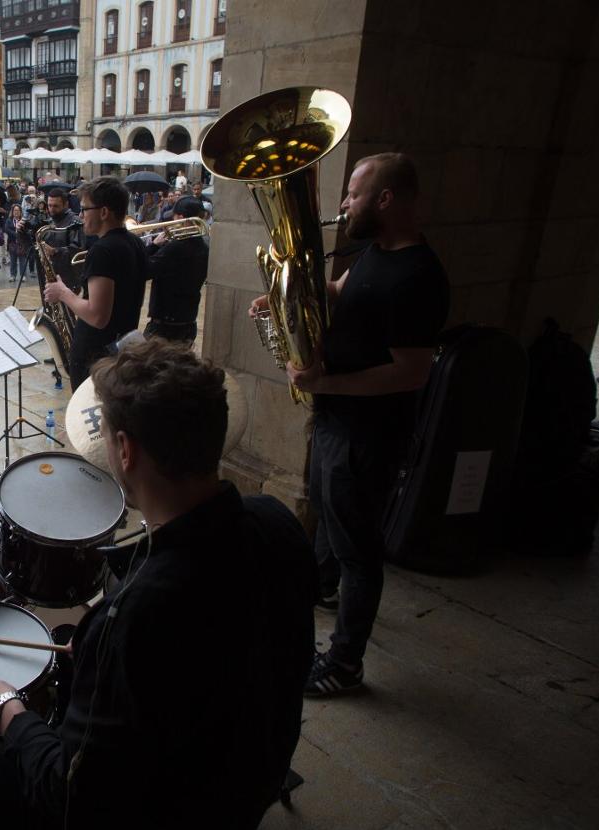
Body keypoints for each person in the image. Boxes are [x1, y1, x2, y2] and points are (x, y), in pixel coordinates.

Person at [0, 338, 317, 830]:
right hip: (247, 778)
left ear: (125, 450)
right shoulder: (278, 522)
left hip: (166, 810)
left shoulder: (140, 611)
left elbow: (69, 798)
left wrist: (9, 709)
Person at [250, 152, 450, 696]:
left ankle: (344, 664)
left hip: (368, 435)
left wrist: (324, 384)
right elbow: (344, 292)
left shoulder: (418, 275)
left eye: (353, 194)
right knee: (328, 519)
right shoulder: (374, 252)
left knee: (359, 552)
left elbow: (411, 373)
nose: (343, 204)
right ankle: (321, 591)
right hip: (337, 421)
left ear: (385, 200)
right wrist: (280, 299)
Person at [43, 177, 148, 389]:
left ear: (103, 212)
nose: (80, 216)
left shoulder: (103, 250)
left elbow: (98, 316)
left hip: (95, 358)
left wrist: (63, 293)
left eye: (84, 209)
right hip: (119, 349)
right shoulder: (134, 242)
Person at [143, 196, 208, 344]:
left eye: (174, 216)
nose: (171, 220)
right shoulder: (204, 248)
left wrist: (154, 245)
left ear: (182, 218)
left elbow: (144, 271)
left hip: (164, 327)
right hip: (188, 322)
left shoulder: (174, 248)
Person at [29, 188, 84, 288]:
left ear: (66, 205)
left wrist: (55, 251)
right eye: (49, 205)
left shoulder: (75, 222)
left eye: (56, 206)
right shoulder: (49, 221)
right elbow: (30, 249)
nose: (52, 209)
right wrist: (22, 233)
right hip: (49, 277)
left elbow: (79, 252)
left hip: (69, 281)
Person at [4, 204, 32, 285]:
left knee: (22, 261)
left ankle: (23, 275)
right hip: (12, 243)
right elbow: (6, 229)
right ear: (12, 212)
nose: (16, 212)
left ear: (20, 212)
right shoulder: (9, 220)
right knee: (13, 260)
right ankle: (13, 275)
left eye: (18, 210)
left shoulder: (24, 221)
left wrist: (21, 232)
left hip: (22, 244)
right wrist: (16, 233)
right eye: (15, 210)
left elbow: (27, 231)